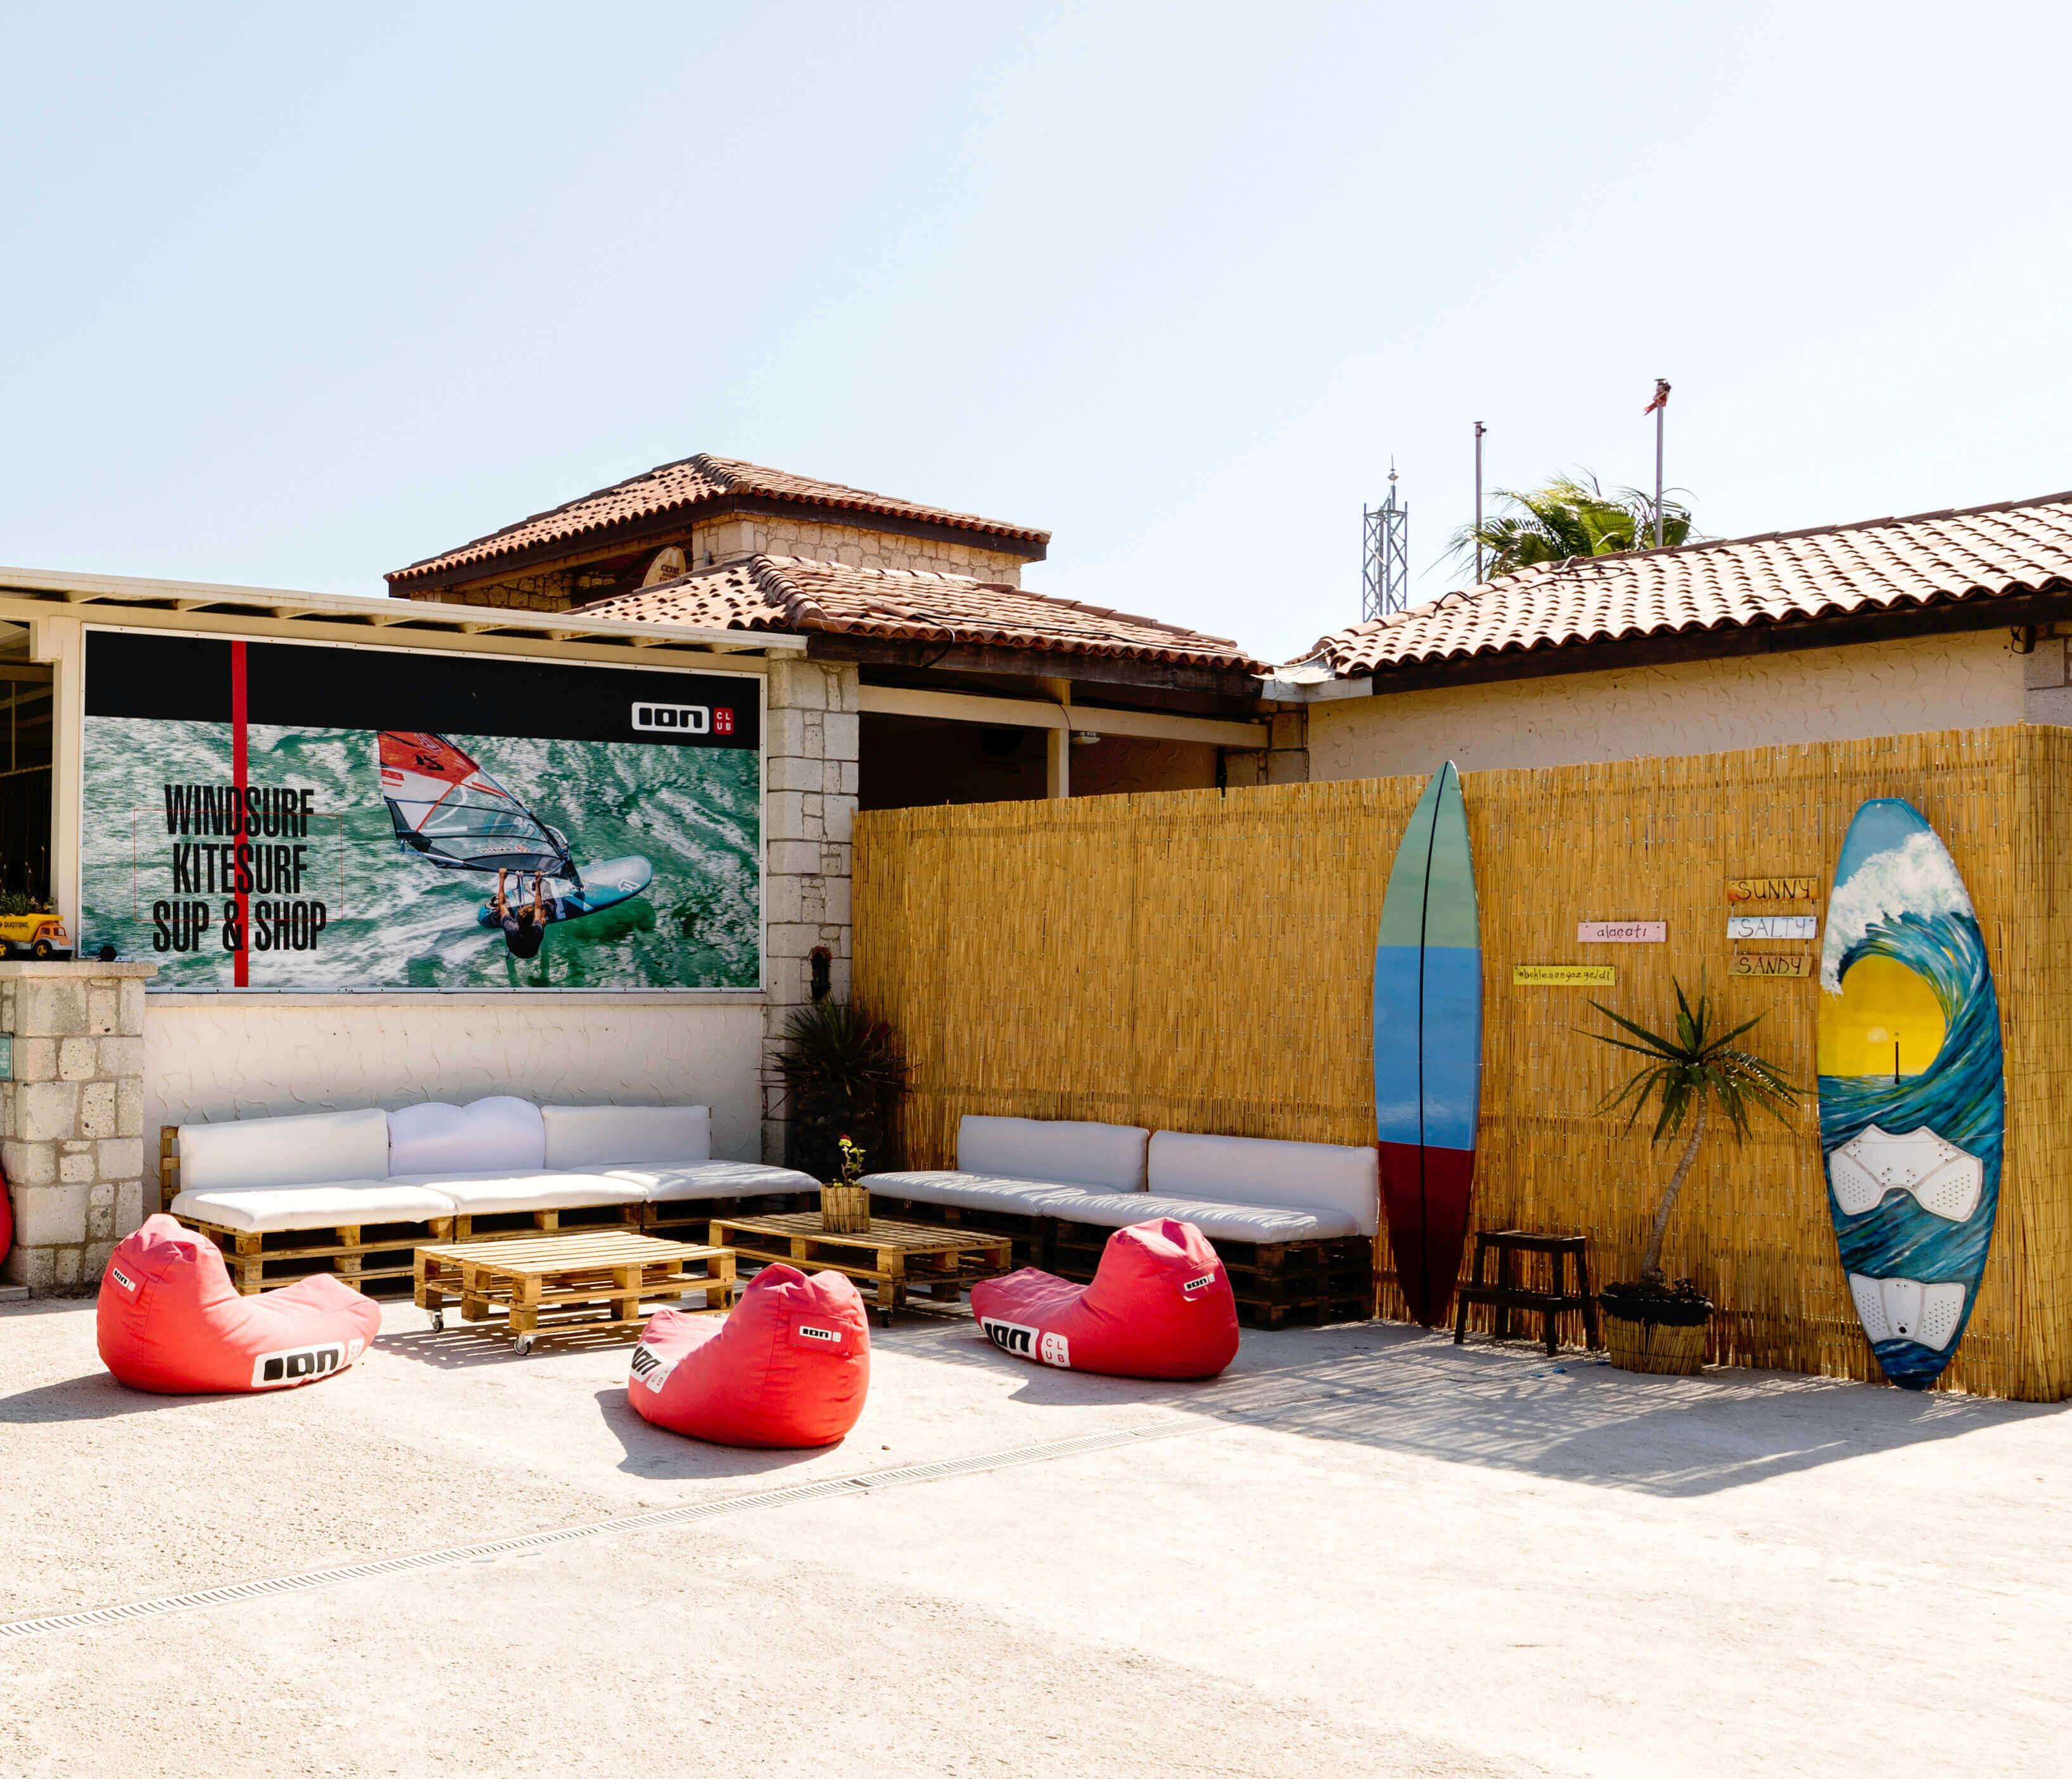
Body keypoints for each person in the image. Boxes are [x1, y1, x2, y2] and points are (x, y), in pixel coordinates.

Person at [492, 868, 549, 960]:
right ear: (533, 921)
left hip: (516, 951)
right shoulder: (538, 929)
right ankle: (545, 914)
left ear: (517, 919)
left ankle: (501, 916)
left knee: (505, 914)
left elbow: (502, 904)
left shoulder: (510, 927)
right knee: (543, 916)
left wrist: (502, 878)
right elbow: (538, 908)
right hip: (532, 953)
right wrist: (538, 883)